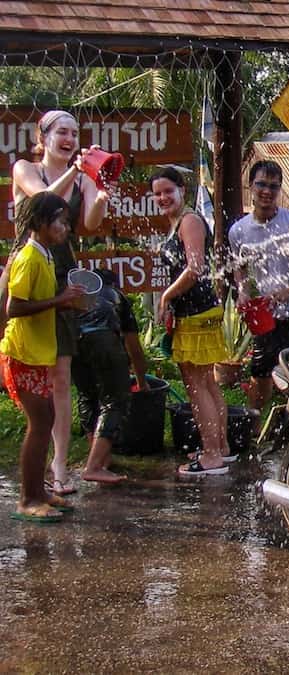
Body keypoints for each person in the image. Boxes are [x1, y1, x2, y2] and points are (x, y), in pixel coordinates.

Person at [3, 110, 111, 495]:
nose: (69, 138)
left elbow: (89, 226)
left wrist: (99, 194)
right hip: (27, 275)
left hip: (64, 277)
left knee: (61, 379)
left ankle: (61, 466)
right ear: (43, 137)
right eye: (62, 132)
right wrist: (77, 171)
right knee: (24, 371)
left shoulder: (80, 176)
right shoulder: (24, 169)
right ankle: (35, 469)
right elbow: (44, 201)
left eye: (74, 133)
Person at [2, 192, 86, 522]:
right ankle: (27, 498)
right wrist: (59, 300)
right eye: (60, 222)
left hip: (38, 354)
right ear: (40, 223)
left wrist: (65, 301)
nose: (65, 228)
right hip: (21, 354)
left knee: (46, 419)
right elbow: (14, 306)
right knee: (39, 424)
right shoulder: (28, 258)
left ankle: (39, 491)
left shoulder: (47, 254)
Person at [228, 160, 289, 414]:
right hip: (269, 315)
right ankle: (253, 429)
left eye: (274, 186)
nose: (267, 191)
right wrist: (243, 291)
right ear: (250, 186)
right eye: (261, 184)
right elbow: (238, 266)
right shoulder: (239, 231)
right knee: (261, 370)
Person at [151, 167, 231, 476]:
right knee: (205, 382)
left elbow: (195, 268)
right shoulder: (176, 223)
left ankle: (211, 455)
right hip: (195, 311)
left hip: (196, 312)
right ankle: (220, 447)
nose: (163, 198)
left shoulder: (190, 221)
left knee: (196, 384)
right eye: (157, 193)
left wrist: (166, 297)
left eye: (168, 191)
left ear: (182, 189)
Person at [71, 269, 148, 484]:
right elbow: (135, 349)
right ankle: (94, 466)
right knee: (116, 399)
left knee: (87, 395)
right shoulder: (117, 296)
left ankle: (99, 457)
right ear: (114, 284)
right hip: (103, 339)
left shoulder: (80, 294)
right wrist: (142, 382)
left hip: (73, 341)